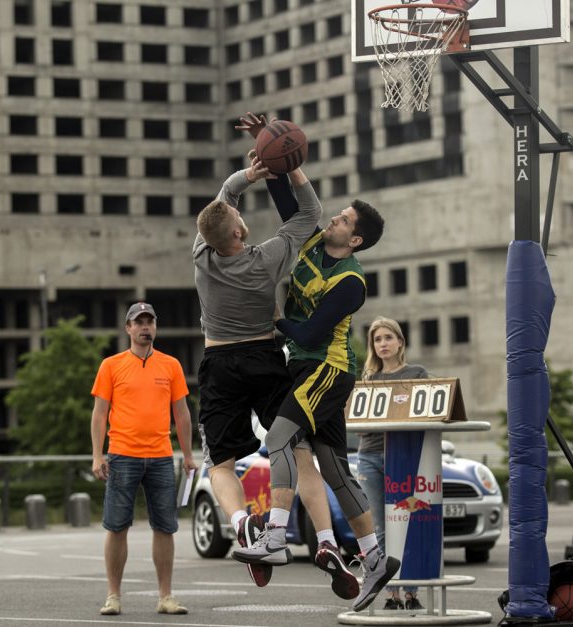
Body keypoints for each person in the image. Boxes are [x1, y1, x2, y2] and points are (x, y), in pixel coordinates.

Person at [193, 113, 357, 599]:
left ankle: (242, 523)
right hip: (266, 357)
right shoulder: (269, 257)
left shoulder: (202, 256)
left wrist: (245, 177)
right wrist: (281, 168)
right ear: (241, 234)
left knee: (221, 465)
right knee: (296, 450)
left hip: (219, 362)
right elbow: (309, 209)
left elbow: (224, 199)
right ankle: (325, 541)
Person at [232, 169, 396, 613]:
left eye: (343, 220)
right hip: (310, 370)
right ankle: (376, 558)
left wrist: (274, 316)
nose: (335, 220)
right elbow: (288, 201)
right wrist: (273, 163)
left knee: (278, 439)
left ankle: (274, 537)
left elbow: (306, 334)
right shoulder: (311, 240)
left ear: (355, 240)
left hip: (327, 369)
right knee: (333, 468)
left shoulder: (350, 282)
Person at [90, 302, 198, 616]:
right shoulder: (111, 365)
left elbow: (182, 413)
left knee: (165, 527)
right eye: (139, 323)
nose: (145, 327)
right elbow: (99, 415)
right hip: (122, 456)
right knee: (117, 526)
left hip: (162, 456)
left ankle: (165, 596)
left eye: (149, 322)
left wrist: (189, 455)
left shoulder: (171, 365)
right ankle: (113, 596)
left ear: (155, 327)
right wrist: (98, 455)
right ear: (128, 329)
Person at [358, 317, 430, 611]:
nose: (383, 344)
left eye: (388, 337)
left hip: (403, 457)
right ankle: (391, 594)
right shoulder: (368, 379)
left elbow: (428, 412)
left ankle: (410, 592)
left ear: (400, 341)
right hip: (369, 456)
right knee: (380, 527)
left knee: (406, 522)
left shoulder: (417, 373)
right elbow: (361, 424)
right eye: (377, 340)